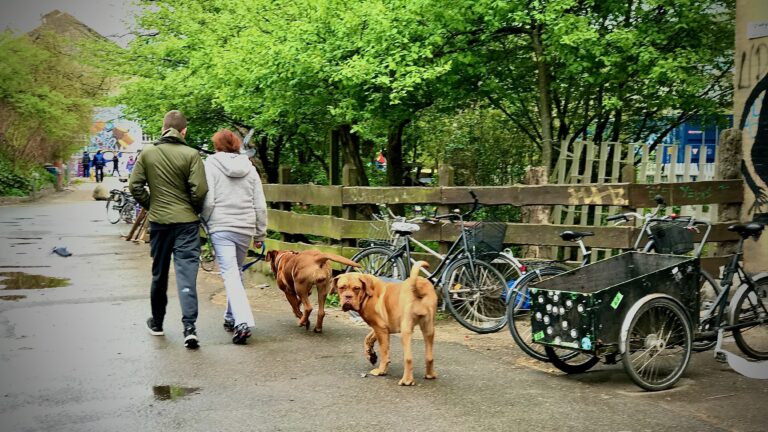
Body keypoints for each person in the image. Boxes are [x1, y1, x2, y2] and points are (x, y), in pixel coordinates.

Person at [129, 110, 208, 349]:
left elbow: (135, 186)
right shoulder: (192, 155)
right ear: (184, 131)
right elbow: (200, 190)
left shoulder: (148, 153)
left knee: (159, 273)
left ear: (163, 128)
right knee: (186, 274)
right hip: (186, 224)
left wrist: (151, 205)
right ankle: (189, 328)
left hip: (160, 223)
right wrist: (191, 209)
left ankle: (158, 323)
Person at [201, 129, 267, 345]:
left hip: (221, 225)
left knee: (230, 274)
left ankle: (243, 322)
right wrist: (260, 233)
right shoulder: (249, 167)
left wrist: (208, 221)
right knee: (235, 273)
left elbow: (208, 200)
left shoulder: (210, 164)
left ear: (217, 145)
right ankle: (231, 317)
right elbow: (260, 204)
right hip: (244, 227)